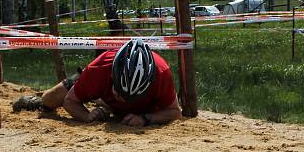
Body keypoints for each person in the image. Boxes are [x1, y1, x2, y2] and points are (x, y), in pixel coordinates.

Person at [13, 39, 182, 127]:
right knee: (51, 98)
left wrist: (146, 118)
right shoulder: (100, 69)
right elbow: (70, 102)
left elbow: (175, 111)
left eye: (132, 96)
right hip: (97, 88)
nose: (123, 100)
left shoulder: (161, 73)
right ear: (112, 77)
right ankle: (37, 102)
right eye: (119, 93)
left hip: (136, 109)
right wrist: (87, 116)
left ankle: (107, 104)